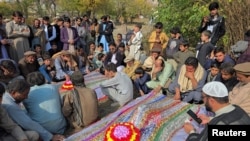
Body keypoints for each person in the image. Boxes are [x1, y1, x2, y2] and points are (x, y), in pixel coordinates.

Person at [184, 81, 250, 141]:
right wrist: (211, 119)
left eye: (203, 97)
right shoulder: (238, 109)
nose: (203, 101)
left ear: (211, 101)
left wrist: (191, 132)